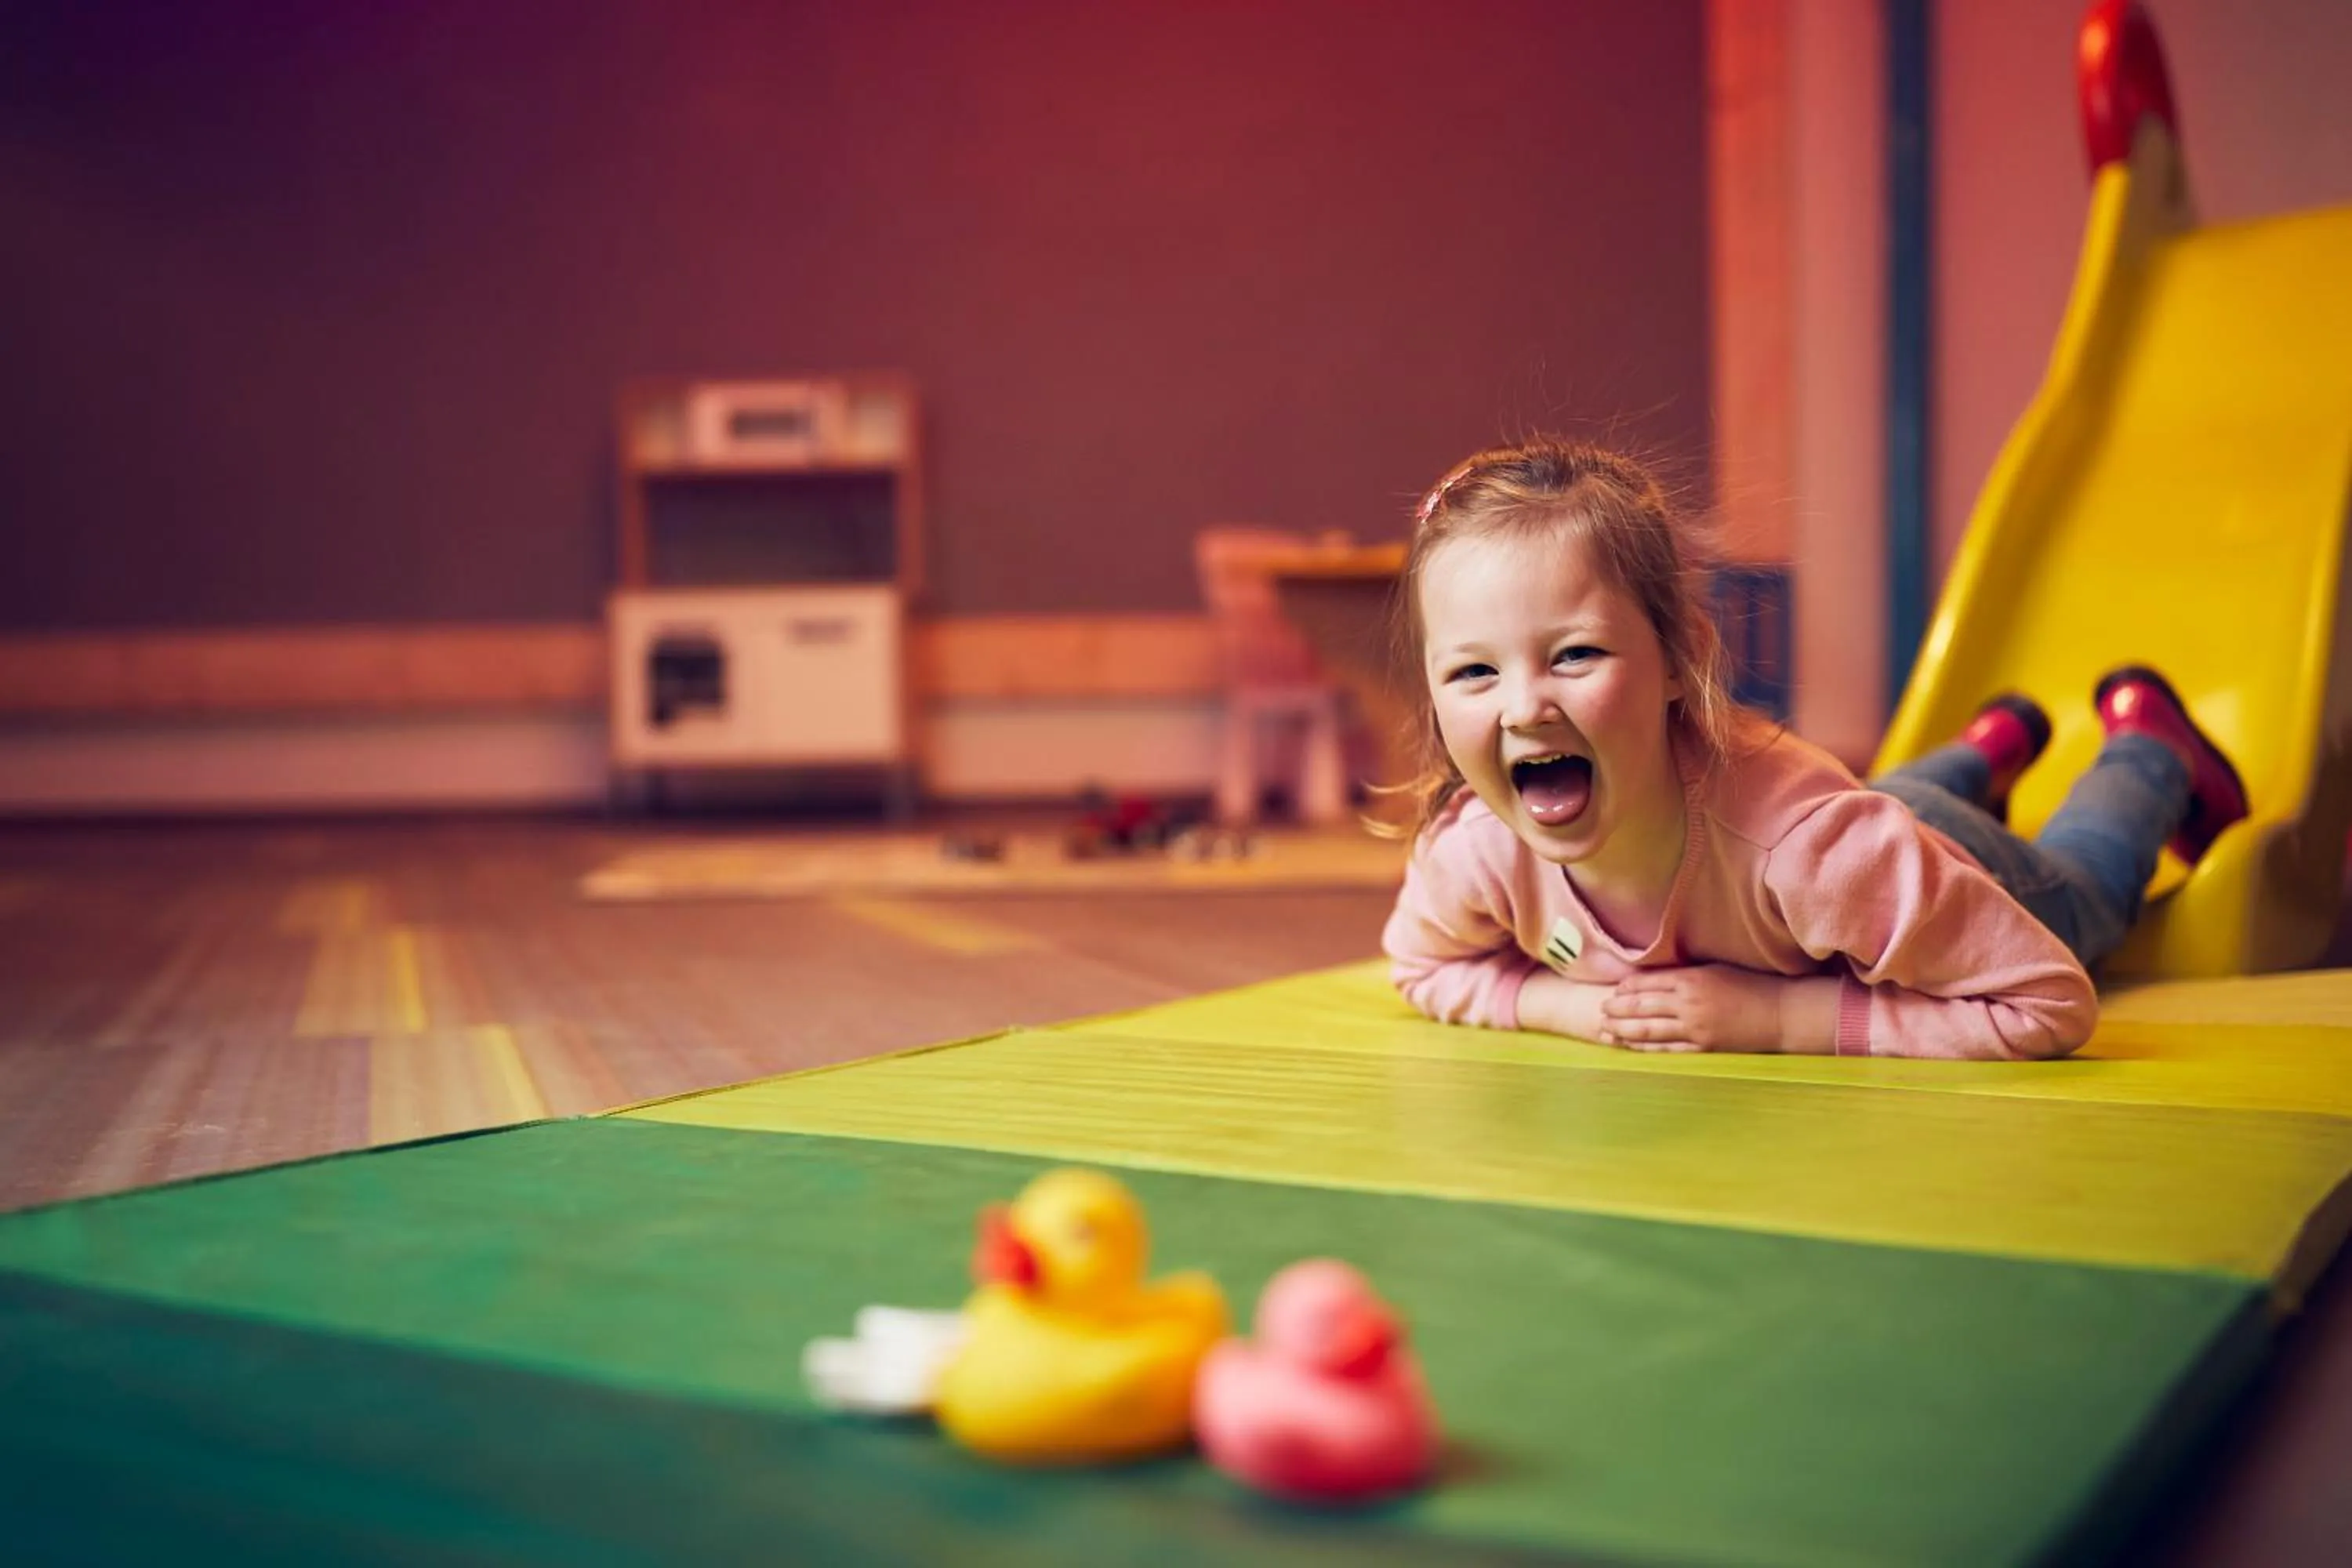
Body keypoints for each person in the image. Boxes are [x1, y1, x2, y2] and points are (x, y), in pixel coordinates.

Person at [1380, 438, 2249, 1059]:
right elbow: (1419, 965)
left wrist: (1777, 1019)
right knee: (1890, 807)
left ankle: (2149, 751)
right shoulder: (1479, 849)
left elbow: (2048, 1000)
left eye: (1575, 655)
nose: (1524, 708)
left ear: (1682, 660)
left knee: (2085, 885)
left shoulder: (1818, 856)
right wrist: (1565, 1007)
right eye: (1474, 672)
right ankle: (1988, 749)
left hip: (1912, 860)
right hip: (1874, 839)